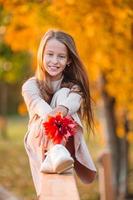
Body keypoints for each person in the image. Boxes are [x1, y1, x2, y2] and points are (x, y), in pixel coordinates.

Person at [22, 29, 97, 199]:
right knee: (43, 118)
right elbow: (42, 109)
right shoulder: (30, 86)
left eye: (61, 56)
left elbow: (73, 103)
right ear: (41, 55)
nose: (54, 61)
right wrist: (47, 122)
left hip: (65, 140)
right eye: (49, 54)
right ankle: (55, 151)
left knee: (64, 94)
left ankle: (56, 151)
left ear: (69, 60)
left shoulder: (74, 88)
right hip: (38, 140)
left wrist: (60, 111)